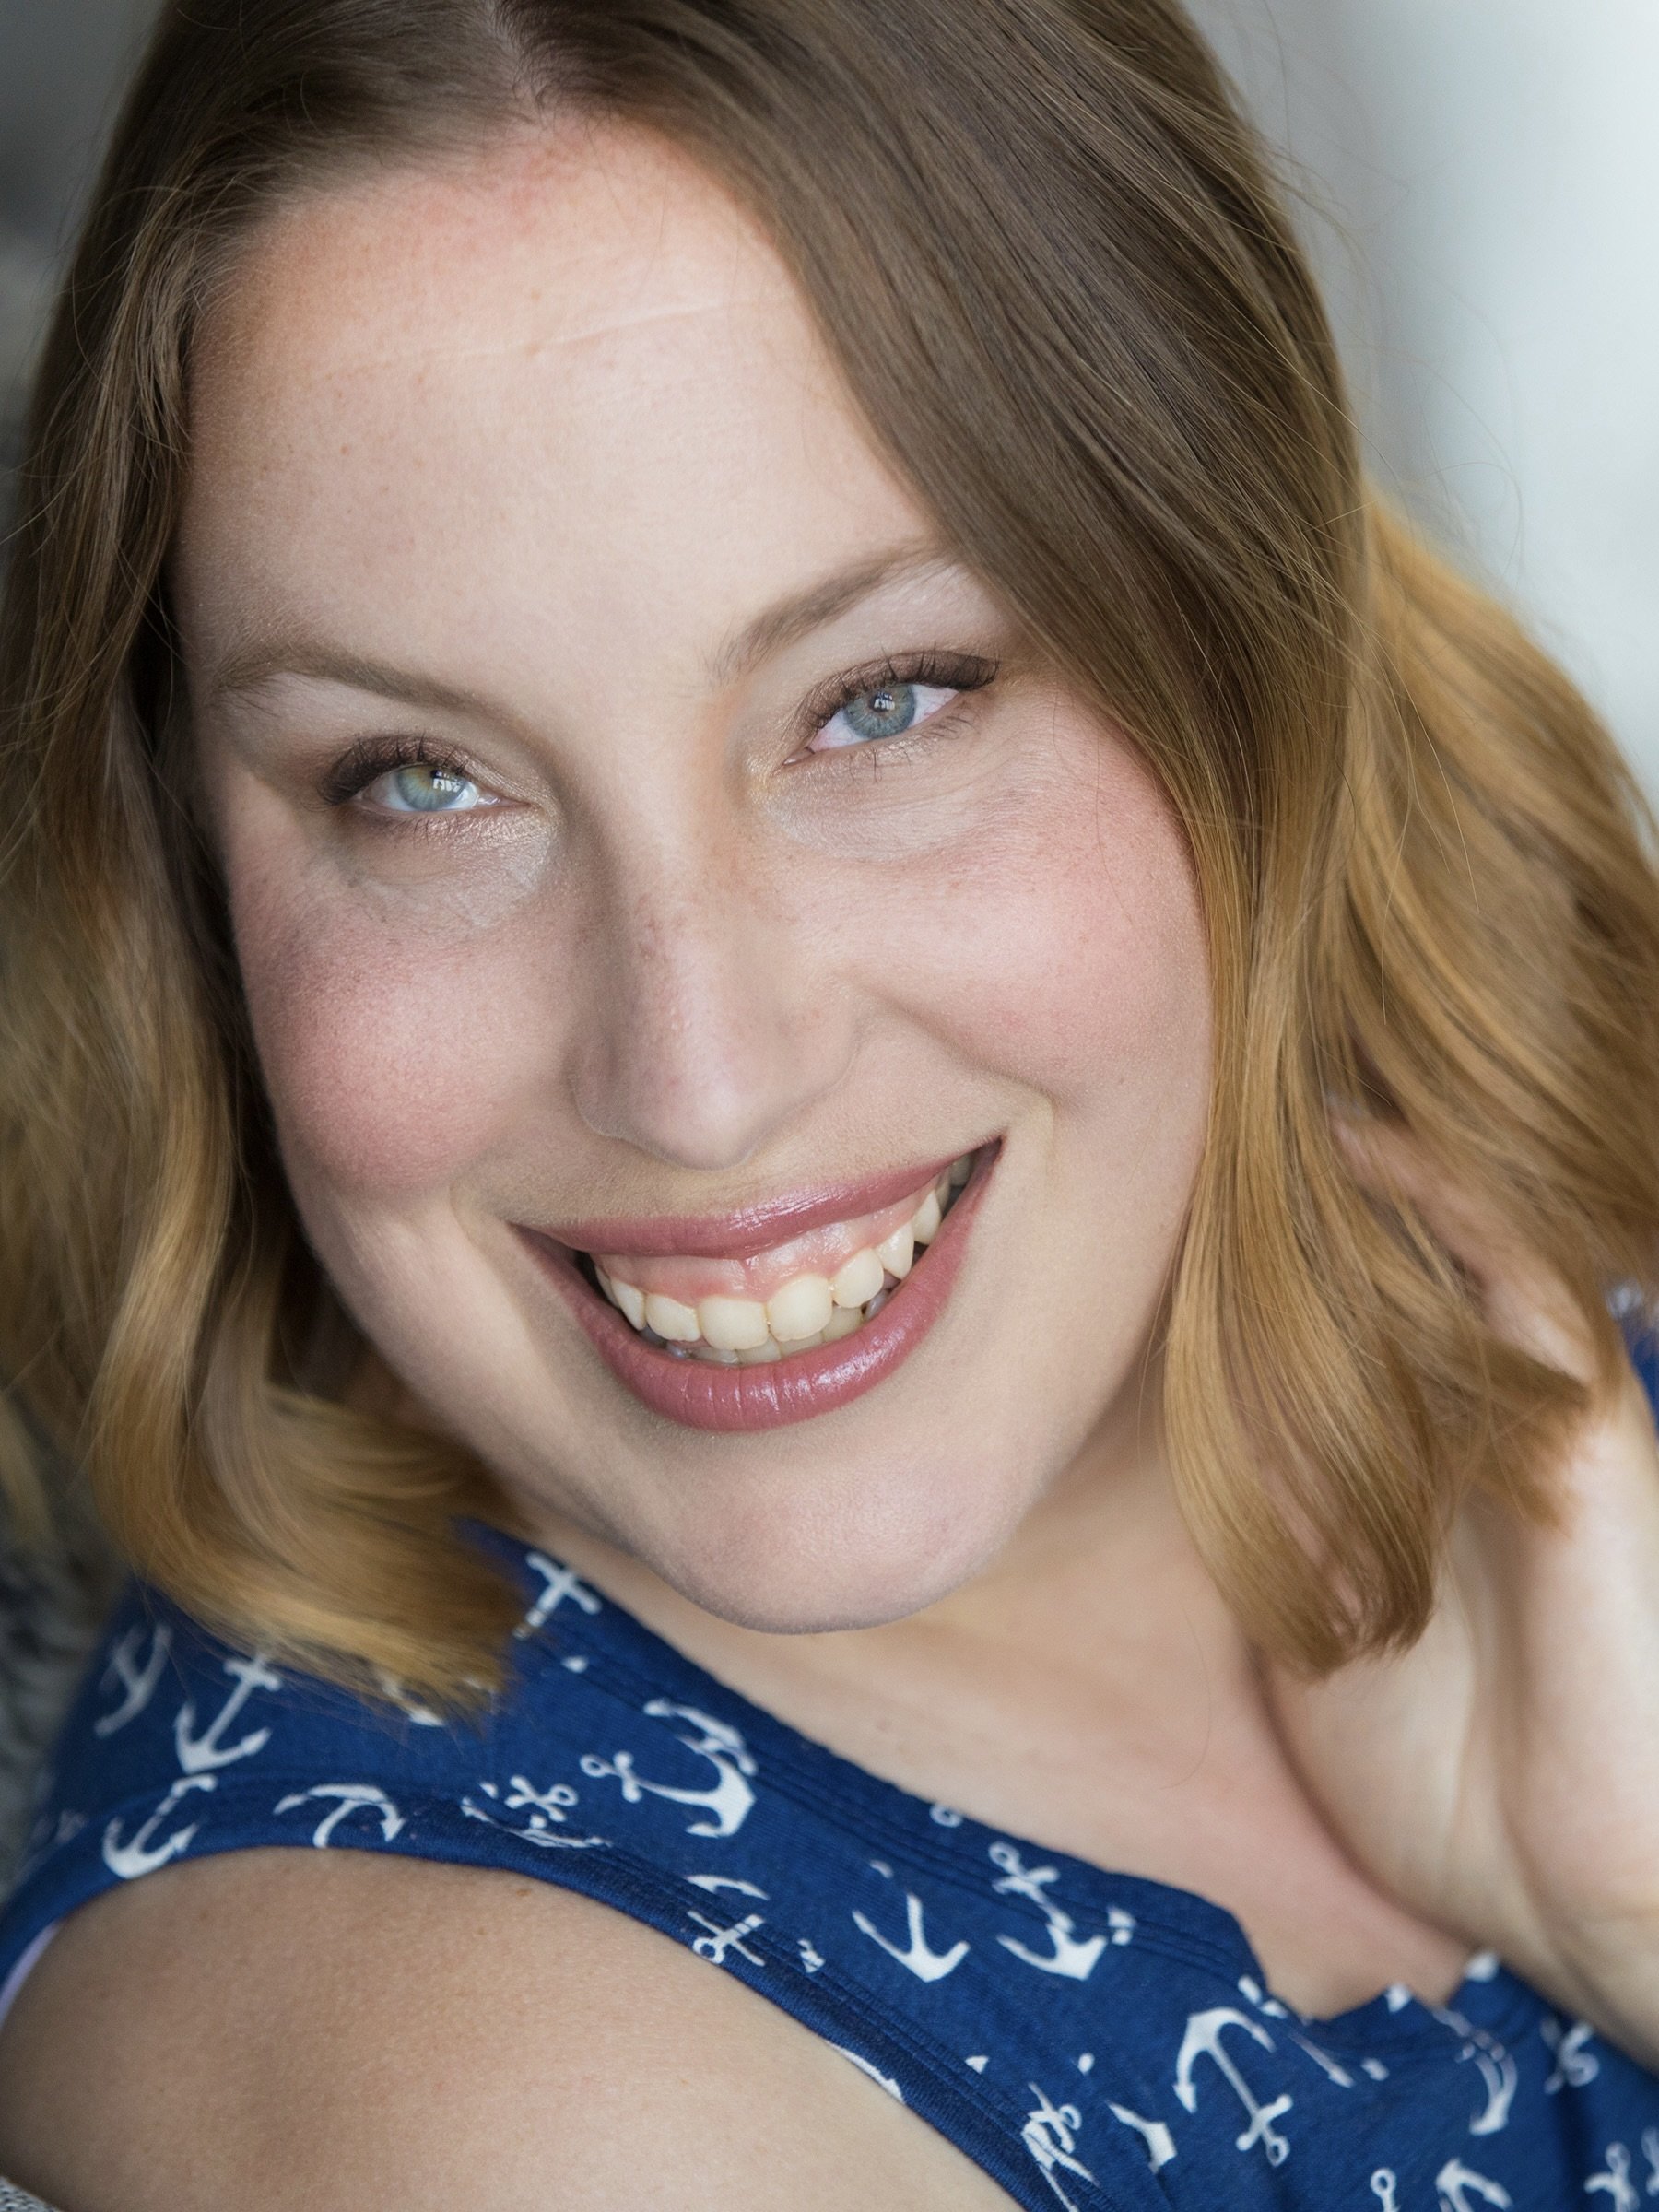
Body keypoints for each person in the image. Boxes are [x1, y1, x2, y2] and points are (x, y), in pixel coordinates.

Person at [0, 0, 1655, 2202]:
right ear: (185, 867)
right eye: (419, 781)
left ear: (1237, 645)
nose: (696, 1080)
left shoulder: (1556, 1186)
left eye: (885, 701)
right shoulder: (491, 2096)